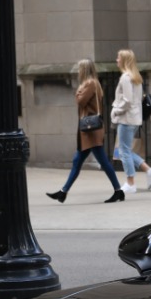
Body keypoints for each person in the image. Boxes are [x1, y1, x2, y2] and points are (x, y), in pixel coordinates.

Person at [48, 59, 124, 203]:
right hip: (89, 132)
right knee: (78, 160)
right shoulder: (94, 83)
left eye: (79, 68)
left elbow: (81, 101)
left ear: (84, 70)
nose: (77, 71)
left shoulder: (90, 84)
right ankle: (63, 192)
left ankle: (118, 191)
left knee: (102, 161)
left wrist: (78, 91)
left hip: (91, 132)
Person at [111, 48, 151, 189]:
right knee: (125, 150)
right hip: (134, 119)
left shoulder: (126, 77)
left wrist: (116, 112)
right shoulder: (136, 77)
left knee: (123, 151)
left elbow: (127, 100)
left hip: (126, 119)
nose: (116, 60)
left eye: (118, 58)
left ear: (124, 60)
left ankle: (130, 183)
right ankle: (149, 170)